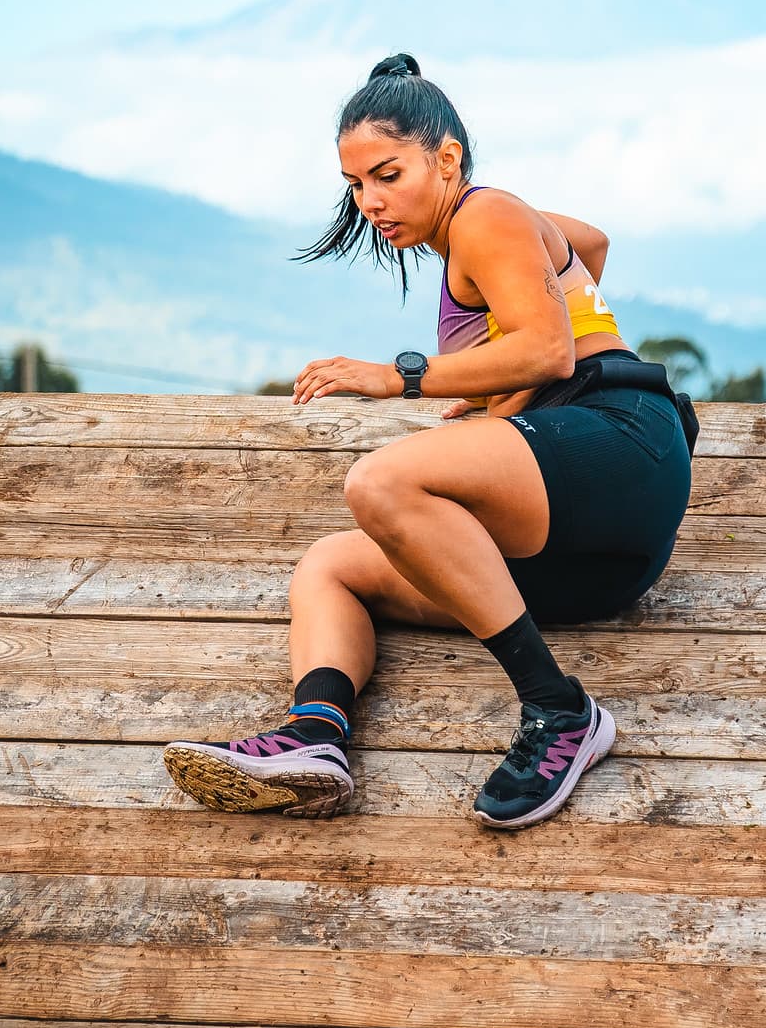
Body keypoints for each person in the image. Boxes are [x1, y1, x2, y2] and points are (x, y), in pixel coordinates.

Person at [163, 50, 695, 831]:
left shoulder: (486, 214)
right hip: (586, 567)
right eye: (354, 184)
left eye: (387, 175)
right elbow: (590, 245)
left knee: (380, 480)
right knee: (330, 566)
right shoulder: (490, 235)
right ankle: (315, 734)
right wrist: (502, 394)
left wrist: (401, 376)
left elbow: (551, 350)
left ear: (446, 160)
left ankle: (559, 711)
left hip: (617, 439)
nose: (370, 202)